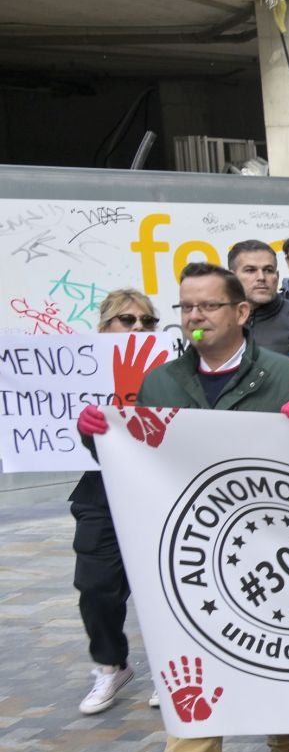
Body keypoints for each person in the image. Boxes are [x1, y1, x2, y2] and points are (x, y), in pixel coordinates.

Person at [93, 263, 289, 752]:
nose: (195, 317)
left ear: (241, 313)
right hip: (193, 553)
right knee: (189, 661)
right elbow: (136, 464)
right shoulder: (160, 381)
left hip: (272, 546)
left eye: (208, 306)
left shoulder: (287, 376)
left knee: (276, 650)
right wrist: (98, 433)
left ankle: (288, 745)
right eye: (186, 307)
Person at [73, 291, 159, 715]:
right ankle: (111, 664)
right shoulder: (83, 372)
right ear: (104, 327)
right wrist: (88, 430)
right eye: (126, 320)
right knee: (95, 584)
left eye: (147, 320)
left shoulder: (170, 372)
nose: (138, 328)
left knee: (162, 584)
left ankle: (168, 666)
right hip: (101, 492)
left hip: (157, 492)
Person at [229, 239, 289, 371]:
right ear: (231, 277)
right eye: (250, 270)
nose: (261, 277)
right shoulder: (217, 319)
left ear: (277, 275)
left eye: (268, 270)